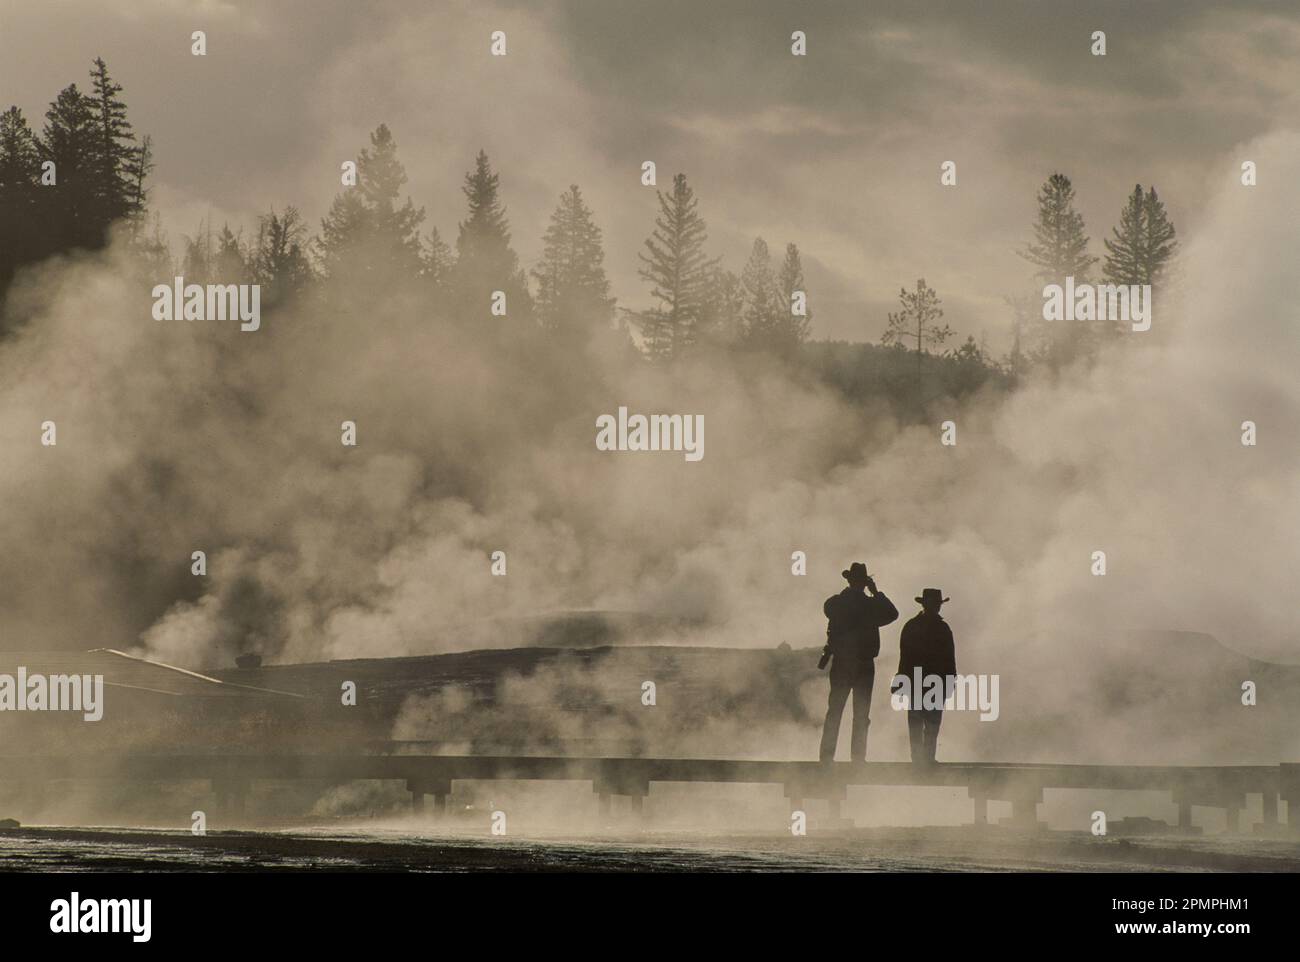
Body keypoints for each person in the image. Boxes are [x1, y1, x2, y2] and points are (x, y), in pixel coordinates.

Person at [818, 562, 899, 763]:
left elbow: (829, 608)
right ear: (864, 583)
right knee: (861, 715)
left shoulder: (837, 602)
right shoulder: (869, 605)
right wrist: (876, 592)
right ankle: (858, 759)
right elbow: (892, 614)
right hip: (863, 665)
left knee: (834, 712)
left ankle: (826, 758)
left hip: (842, 664)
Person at [893, 588, 956, 765]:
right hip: (931, 683)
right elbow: (949, 659)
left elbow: (904, 657)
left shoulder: (912, 625)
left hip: (918, 681)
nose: (936, 607)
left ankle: (920, 760)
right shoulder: (942, 628)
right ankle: (925, 759)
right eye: (936, 604)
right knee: (930, 723)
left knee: (919, 723)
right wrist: (950, 682)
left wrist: (901, 679)